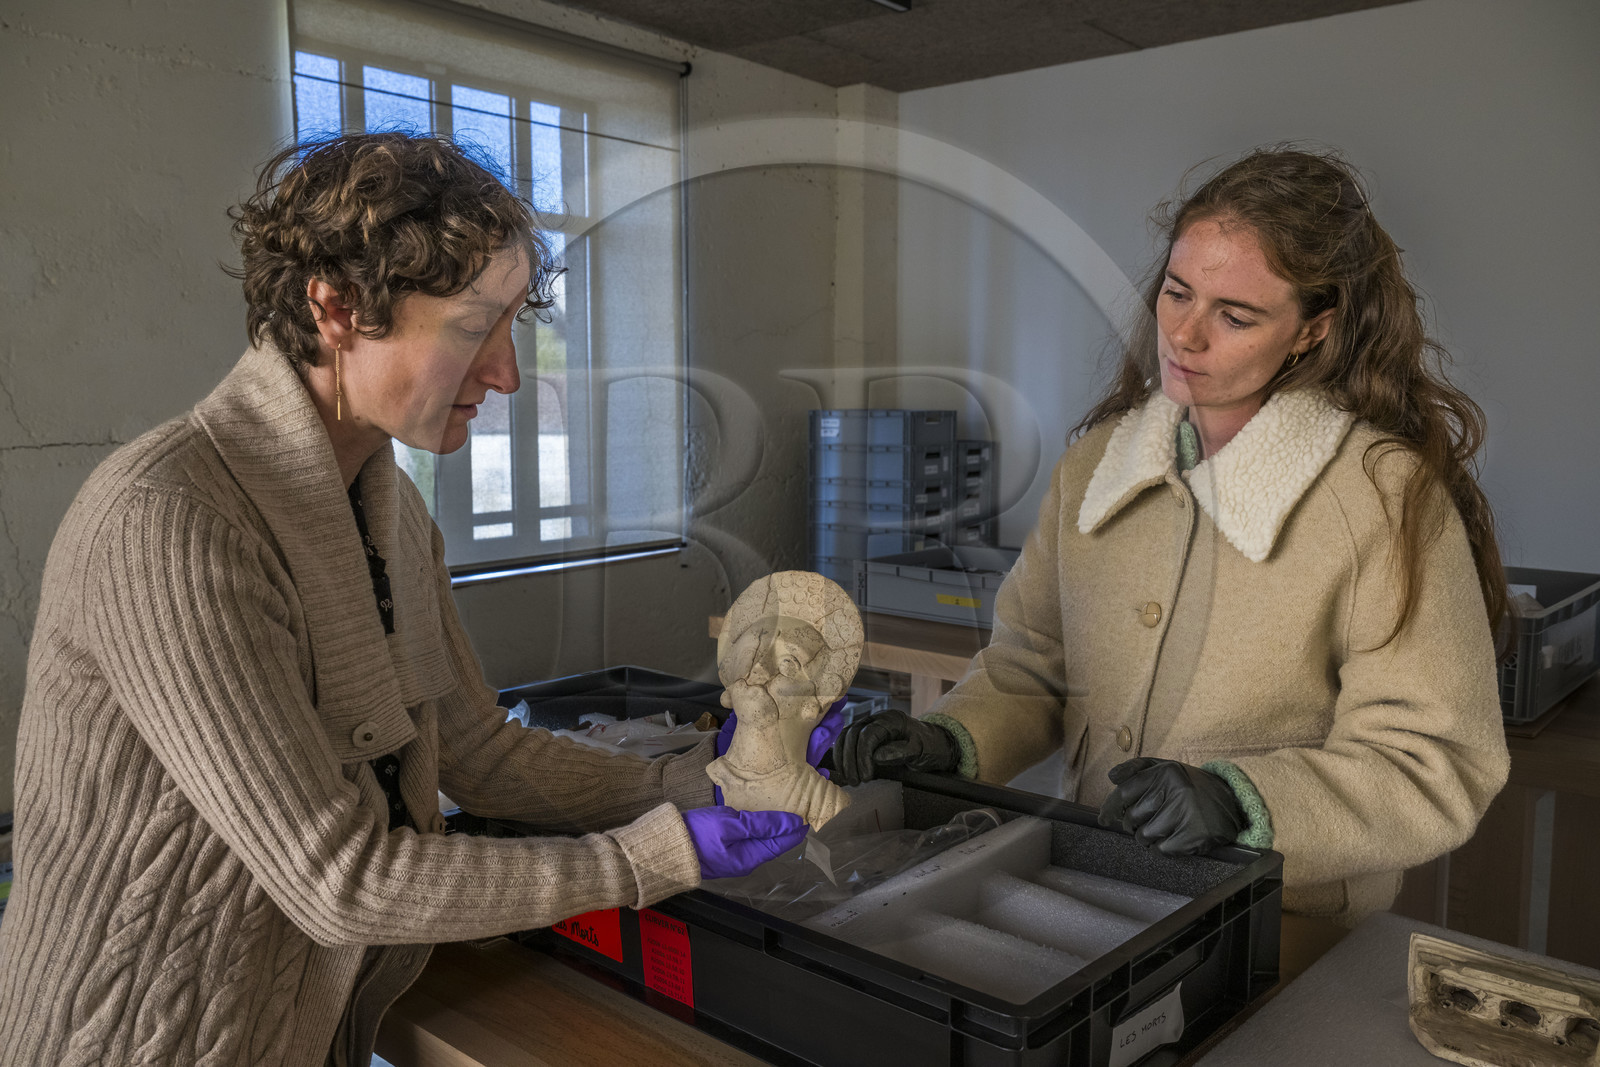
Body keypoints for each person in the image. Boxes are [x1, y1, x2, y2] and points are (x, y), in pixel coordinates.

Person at [0, 133, 823, 1067]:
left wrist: (704, 776)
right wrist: (653, 857)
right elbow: (339, 879)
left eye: (512, 327)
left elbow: (481, 753)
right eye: (474, 328)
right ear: (337, 308)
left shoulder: (389, 509)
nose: (509, 373)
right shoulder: (169, 522)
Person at [832, 148, 1511, 946]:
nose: (1184, 335)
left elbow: (1433, 760)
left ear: (1313, 329)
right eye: (1178, 291)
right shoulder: (1095, 467)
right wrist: (950, 738)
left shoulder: (1383, 496)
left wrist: (1243, 800)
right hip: (1091, 887)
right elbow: (1032, 666)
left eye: (1235, 315)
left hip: (1278, 924)